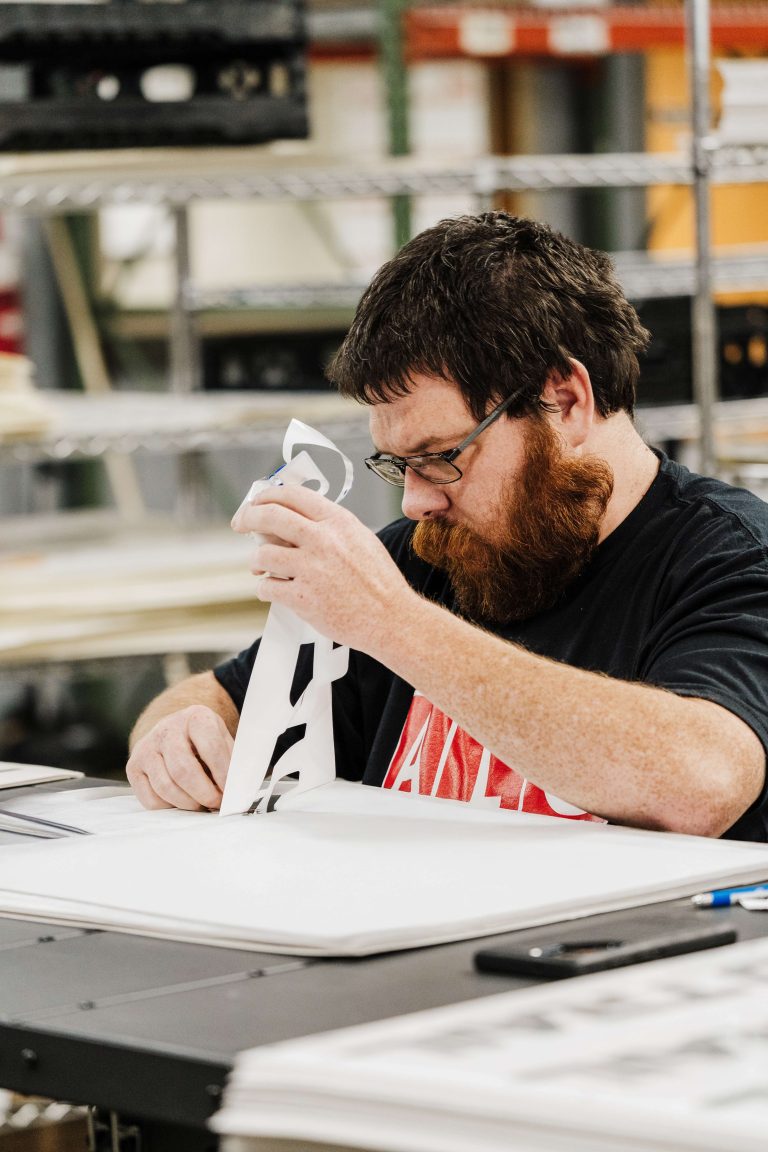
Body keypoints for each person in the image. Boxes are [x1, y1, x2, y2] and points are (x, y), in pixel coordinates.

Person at [127, 213, 768, 840]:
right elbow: (214, 697)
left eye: (439, 457)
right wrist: (178, 737)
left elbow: (702, 782)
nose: (414, 503)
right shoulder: (425, 559)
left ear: (565, 401)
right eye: (397, 465)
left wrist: (390, 621)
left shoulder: (732, 559)